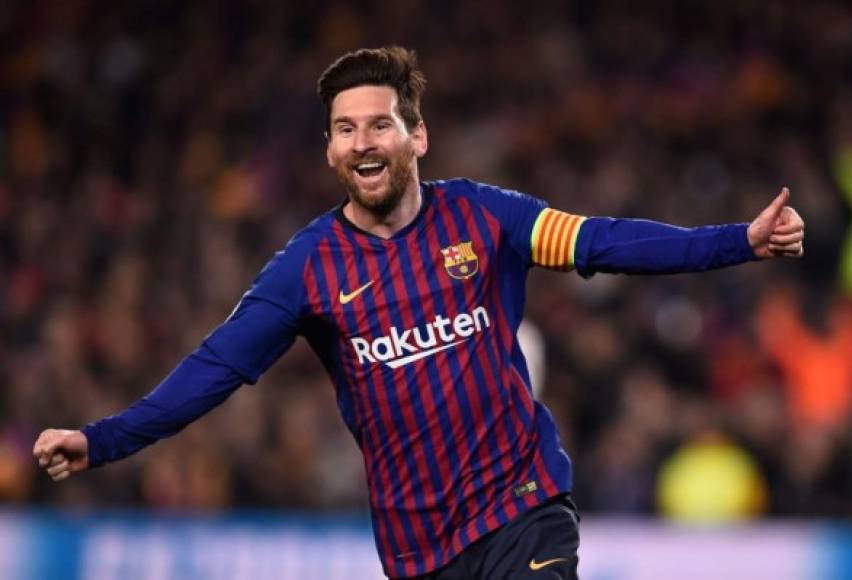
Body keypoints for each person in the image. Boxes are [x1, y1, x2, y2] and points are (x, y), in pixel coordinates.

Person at [33, 46, 805, 579]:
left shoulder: (485, 217)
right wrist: (101, 441)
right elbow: (215, 370)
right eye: (344, 128)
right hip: (417, 552)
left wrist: (739, 240)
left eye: (378, 123)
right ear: (330, 151)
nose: (361, 140)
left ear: (417, 136)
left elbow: (601, 241)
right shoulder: (306, 270)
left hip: (523, 509)